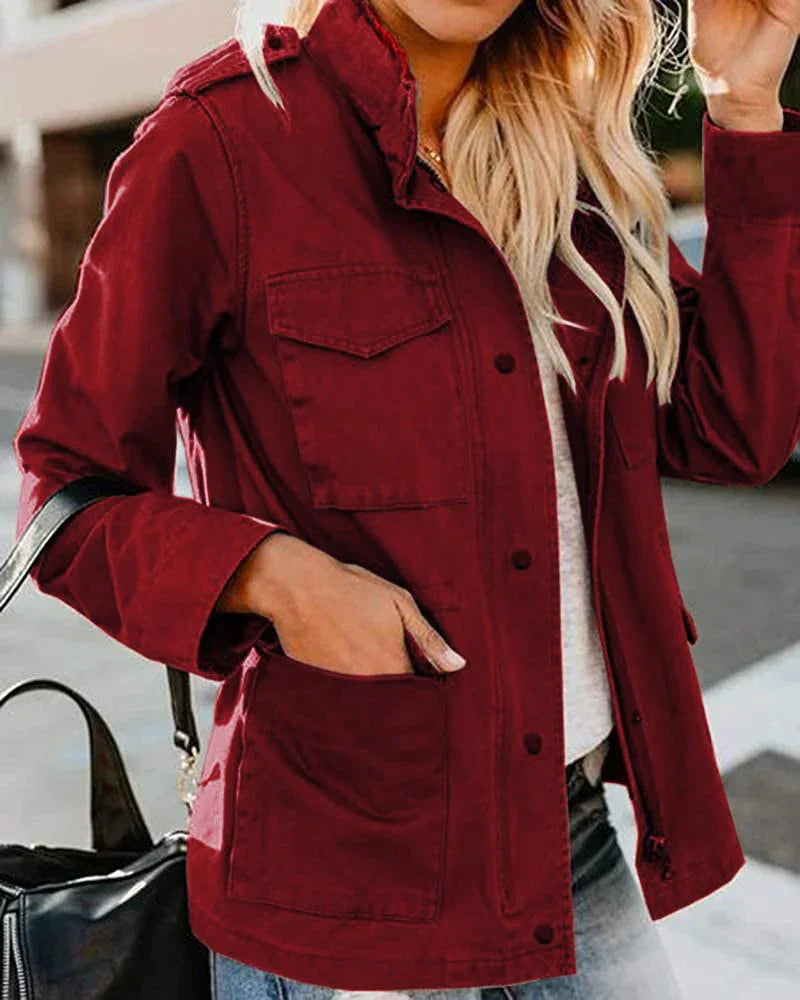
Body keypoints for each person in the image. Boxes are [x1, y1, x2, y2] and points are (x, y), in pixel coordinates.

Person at [12, 0, 800, 997]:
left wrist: (742, 105)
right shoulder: (218, 141)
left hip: (567, 841)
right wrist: (270, 576)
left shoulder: (565, 158)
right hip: (340, 879)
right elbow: (67, 489)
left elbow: (731, 427)